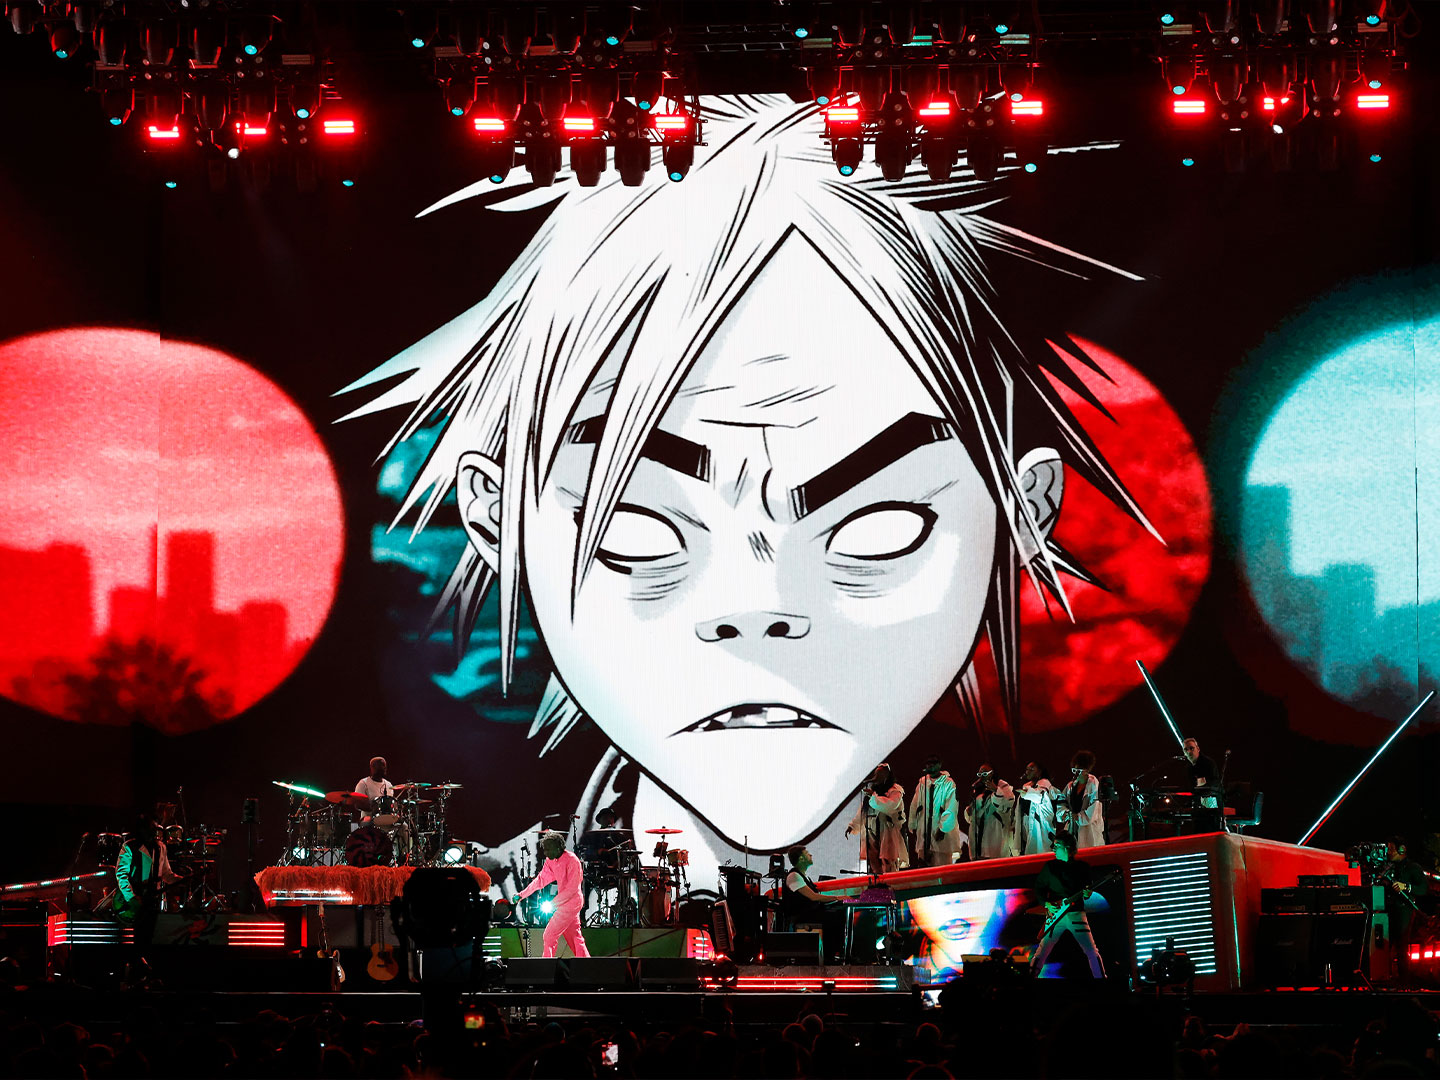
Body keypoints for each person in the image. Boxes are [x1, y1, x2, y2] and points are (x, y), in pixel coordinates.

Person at [341, 95, 1154, 891]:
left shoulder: (987, 881)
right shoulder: (531, 879)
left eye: (878, 529)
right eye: (635, 531)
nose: (759, 607)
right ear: (498, 517)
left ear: (1022, 510)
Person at [113, 816, 180, 986]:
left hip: (152, 900)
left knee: (149, 937)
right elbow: (121, 874)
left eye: (154, 828)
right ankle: (136, 974)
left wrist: (180, 879)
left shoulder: (161, 847)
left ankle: (143, 974)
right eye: (150, 828)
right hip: (136, 900)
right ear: (141, 830)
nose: (153, 831)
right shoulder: (129, 847)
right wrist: (131, 897)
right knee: (138, 937)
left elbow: (167, 874)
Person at [1031, 831, 1105, 978]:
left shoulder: (1082, 867)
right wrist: (1047, 904)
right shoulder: (1050, 867)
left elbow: (1087, 890)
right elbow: (1039, 888)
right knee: (1042, 950)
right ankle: (1030, 978)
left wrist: (1087, 893)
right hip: (1055, 915)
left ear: (1068, 847)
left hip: (1076, 914)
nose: (1053, 848)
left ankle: (1101, 980)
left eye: (1057, 845)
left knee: (1091, 950)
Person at [515, 831, 591, 958]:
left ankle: (546, 964)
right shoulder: (550, 861)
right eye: (544, 850)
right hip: (564, 902)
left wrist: (553, 903)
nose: (545, 853)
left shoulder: (572, 860)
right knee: (575, 937)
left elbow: (572, 889)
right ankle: (585, 963)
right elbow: (540, 880)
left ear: (558, 847)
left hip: (572, 902)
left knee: (549, 935)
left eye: (548, 849)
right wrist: (522, 895)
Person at [781, 846, 844, 958]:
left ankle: (835, 952)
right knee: (834, 917)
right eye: (807, 853)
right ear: (801, 858)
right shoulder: (793, 876)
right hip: (801, 916)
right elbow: (813, 897)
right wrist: (837, 898)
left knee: (838, 913)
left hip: (809, 913)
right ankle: (830, 954)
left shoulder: (803, 877)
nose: (810, 855)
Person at [1381, 836, 1429, 984]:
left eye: (1391, 849)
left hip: (1404, 910)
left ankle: (1404, 982)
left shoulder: (1413, 867)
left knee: (1401, 947)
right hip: (1386, 911)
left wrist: (1406, 887)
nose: (1388, 852)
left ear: (1402, 849)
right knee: (1382, 946)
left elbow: (1423, 889)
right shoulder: (1388, 867)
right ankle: (1384, 979)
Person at [846, 764, 907, 874]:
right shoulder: (872, 792)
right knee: (873, 861)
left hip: (887, 829)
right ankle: (876, 882)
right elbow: (863, 811)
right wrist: (853, 826)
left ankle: (889, 882)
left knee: (888, 860)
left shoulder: (895, 791)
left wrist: (873, 797)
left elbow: (889, 806)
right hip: (871, 829)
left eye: (881, 774)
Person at [908, 756, 964, 867]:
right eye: (928, 763)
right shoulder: (922, 784)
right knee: (924, 869)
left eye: (933, 763)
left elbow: (951, 808)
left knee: (941, 867)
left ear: (939, 765)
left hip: (940, 835)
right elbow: (915, 806)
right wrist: (913, 825)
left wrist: (943, 829)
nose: (931, 766)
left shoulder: (948, 784)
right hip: (924, 836)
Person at [965, 765, 1016, 860]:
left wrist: (996, 790)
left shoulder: (1003, 786)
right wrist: (969, 811)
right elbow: (970, 818)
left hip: (995, 835)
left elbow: (1007, 804)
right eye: (979, 774)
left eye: (985, 773)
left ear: (992, 773)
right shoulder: (977, 789)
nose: (982, 776)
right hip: (978, 838)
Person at [1057, 751, 1106, 849]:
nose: (1076, 774)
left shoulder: (1094, 785)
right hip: (1072, 828)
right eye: (1074, 770)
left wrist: (1078, 817)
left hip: (1089, 829)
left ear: (1087, 770)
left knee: (1088, 853)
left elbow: (1094, 808)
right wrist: (1064, 813)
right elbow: (1061, 802)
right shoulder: (1070, 786)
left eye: (1079, 771)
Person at [1016, 761, 1058, 856]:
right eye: (1027, 769)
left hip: (1040, 824)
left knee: (1040, 849)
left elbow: (1040, 796)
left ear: (1039, 771)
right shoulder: (1028, 785)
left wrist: (1026, 793)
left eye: (1032, 769)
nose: (1028, 772)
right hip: (1026, 824)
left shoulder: (1044, 783)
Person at [1181, 737, 1223, 832]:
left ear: (1198, 749)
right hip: (1198, 805)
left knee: (1210, 831)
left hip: (1211, 803)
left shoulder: (1208, 763)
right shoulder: (1189, 768)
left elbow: (1214, 785)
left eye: (1191, 748)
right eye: (1186, 750)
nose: (1189, 751)